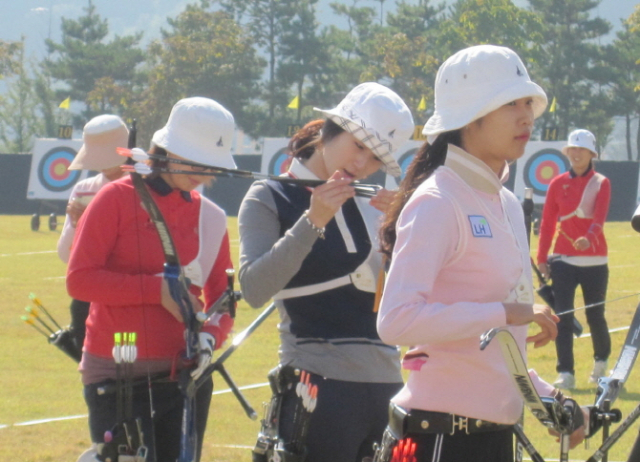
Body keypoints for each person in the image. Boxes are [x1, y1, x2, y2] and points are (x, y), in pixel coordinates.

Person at [376, 45, 585, 462]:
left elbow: (495, 347)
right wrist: (506, 311)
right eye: (510, 103)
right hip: (437, 439)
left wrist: (546, 397)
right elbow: (396, 321)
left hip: (493, 438)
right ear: (470, 118)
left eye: (528, 102)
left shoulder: (506, 204)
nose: (526, 115)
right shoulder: (437, 199)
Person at [238, 82, 414, 462]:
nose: (362, 164)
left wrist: (406, 231)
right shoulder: (270, 196)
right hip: (316, 388)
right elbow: (254, 288)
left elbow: (405, 294)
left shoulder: (372, 202)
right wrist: (312, 222)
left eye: (375, 158)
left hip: (388, 388)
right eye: (359, 146)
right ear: (328, 130)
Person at [67, 97, 235, 462]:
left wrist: (210, 336)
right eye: (196, 159)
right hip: (115, 375)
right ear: (168, 148)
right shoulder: (115, 197)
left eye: (212, 165)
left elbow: (224, 299)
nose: (204, 172)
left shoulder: (211, 218)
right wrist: (155, 290)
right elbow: (80, 280)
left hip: (185, 378)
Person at [537, 129, 611, 389]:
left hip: (595, 260)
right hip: (563, 260)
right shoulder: (557, 183)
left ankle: (601, 364)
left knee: (595, 316)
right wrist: (542, 257)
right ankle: (565, 371)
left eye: (581, 149)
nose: (576, 154)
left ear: (591, 154)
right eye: (572, 149)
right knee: (563, 316)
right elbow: (547, 224)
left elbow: (599, 218)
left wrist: (589, 238)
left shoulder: (601, 182)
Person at [58, 114, 129, 353]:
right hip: (88, 297)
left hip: (129, 296)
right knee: (92, 372)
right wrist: (78, 224)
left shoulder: (147, 186)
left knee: (128, 369)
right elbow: (65, 255)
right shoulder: (84, 189)